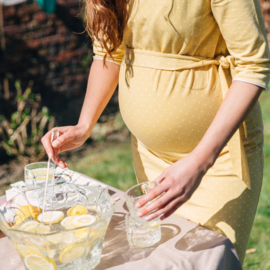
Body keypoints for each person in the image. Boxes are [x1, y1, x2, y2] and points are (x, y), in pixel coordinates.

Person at [41, 0, 270, 264]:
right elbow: (110, 52)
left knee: (208, 261)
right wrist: (84, 125)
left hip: (219, 161)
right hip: (150, 158)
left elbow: (253, 65)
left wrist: (199, 161)